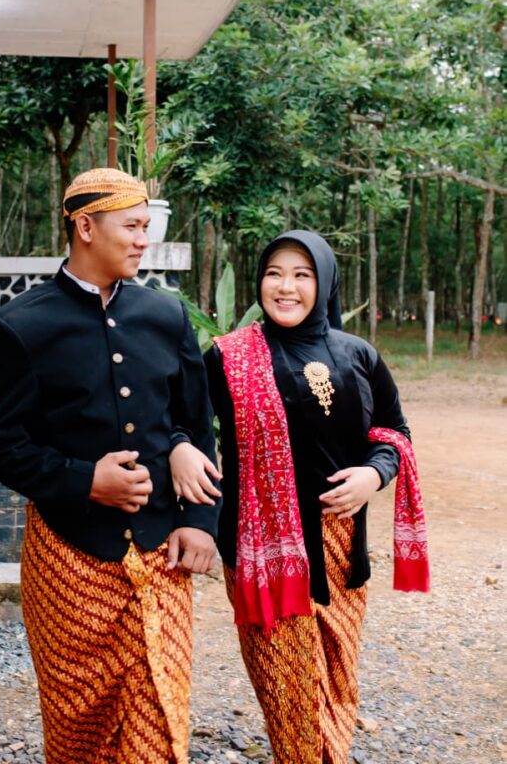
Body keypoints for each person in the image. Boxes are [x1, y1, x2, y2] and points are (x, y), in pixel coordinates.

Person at [0, 167, 221, 764]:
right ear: (85, 226)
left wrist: (199, 522)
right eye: (131, 227)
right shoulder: (19, 326)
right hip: (68, 557)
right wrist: (86, 481)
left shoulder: (167, 316)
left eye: (146, 227)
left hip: (162, 554)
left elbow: (194, 422)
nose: (143, 241)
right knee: (77, 728)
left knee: (160, 720)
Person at [173, 229, 429, 764]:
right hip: (263, 555)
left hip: (341, 550)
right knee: (289, 693)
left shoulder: (357, 354)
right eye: (274, 274)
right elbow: (182, 421)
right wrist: (178, 448)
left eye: (301, 275)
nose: (285, 287)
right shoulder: (226, 357)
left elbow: (393, 431)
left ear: (325, 283)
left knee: (336, 681)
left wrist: (374, 475)